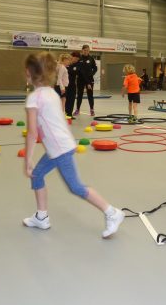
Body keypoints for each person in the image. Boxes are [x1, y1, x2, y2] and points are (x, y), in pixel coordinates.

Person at [22, 52, 124, 238]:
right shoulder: (52, 94)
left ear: (29, 72)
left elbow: (32, 133)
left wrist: (27, 160)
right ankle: (41, 217)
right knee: (37, 176)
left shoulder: (34, 98)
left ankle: (112, 213)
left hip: (59, 149)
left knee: (76, 187)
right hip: (60, 147)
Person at [73, 44, 97, 116]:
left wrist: (91, 74)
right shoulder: (79, 59)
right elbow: (78, 70)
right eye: (85, 50)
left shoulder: (91, 59)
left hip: (89, 80)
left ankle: (92, 110)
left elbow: (95, 68)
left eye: (88, 50)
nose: (86, 52)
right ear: (82, 50)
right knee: (79, 95)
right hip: (81, 80)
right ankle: (77, 110)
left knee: (90, 95)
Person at [65, 51, 80, 118]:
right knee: (65, 100)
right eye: (75, 58)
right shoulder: (66, 63)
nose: (76, 60)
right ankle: (65, 114)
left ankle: (69, 114)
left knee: (72, 99)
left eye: (78, 59)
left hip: (72, 85)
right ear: (72, 57)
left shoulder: (77, 65)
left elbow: (77, 72)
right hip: (65, 85)